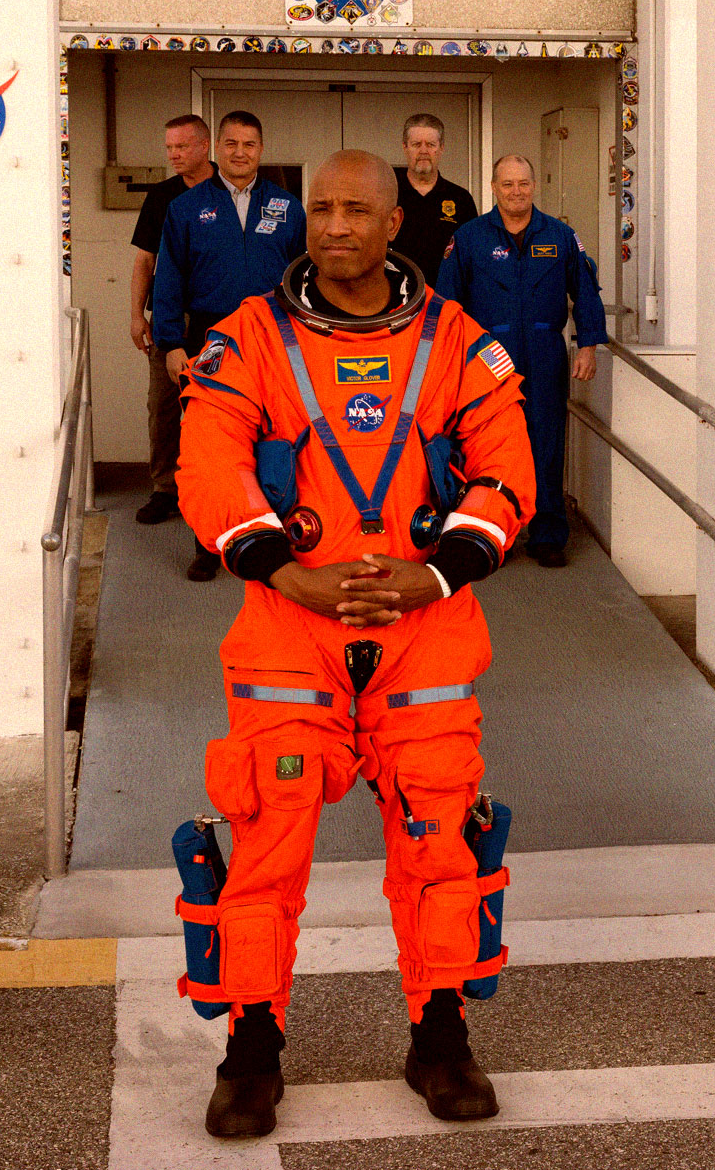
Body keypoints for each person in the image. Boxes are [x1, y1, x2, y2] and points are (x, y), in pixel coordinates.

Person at [172, 150, 534, 1138]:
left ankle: (441, 1034)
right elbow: (207, 459)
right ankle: (252, 1047)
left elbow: (507, 467)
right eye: (321, 208)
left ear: (393, 227)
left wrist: (440, 571)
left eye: (356, 210)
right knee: (267, 841)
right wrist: (277, 566)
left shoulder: (460, 341)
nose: (336, 224)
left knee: (440, 842)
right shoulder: (248, 338)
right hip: (291, 624)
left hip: (425, 628)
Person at [150, 110, 307, 580]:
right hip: (209, 339)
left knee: (278, 440)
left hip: (274, 339)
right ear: (218, 148)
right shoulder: (185, 207)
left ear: (261, 150)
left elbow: (303, 275)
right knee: (209, 447)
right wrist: (171, 342)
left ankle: (275, 540)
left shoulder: (287, 206)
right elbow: (169, 276)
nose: (240, 152)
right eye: (232, 143)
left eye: (250, 144)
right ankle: (208, 544)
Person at [435, 155, 603, 567]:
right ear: (493, 187)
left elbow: (585, 291)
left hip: (545, 354)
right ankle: (497, 533)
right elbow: (446, 303)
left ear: (533, 186)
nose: (516, 191)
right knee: (491, 446)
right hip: (487, 359)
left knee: (546, 444)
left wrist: (587, 345)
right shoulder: (470, 237)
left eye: (523, 183)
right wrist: (448, 360)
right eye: (508, 184)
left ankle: (547, 534)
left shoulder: (561, 236)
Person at [128, 114, 217, 527]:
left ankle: (225, 489)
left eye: (181, 147)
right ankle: (165, 489)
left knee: (223, 410)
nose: (174, 155)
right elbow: (145, 260)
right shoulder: (162, 197)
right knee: (163, 407)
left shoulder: (229, 191)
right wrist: (136, 315)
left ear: (204, 145)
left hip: (220, 320)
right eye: (169, 148)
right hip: (168, 319)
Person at [391, 113, 476, 277]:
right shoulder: (387, 192)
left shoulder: (461, 199)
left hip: (444, 298)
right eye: (416, 144)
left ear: (441, 147)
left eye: (430, 144)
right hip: (395, 297)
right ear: (404, 146)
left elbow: (471, 257)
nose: (423, 151)